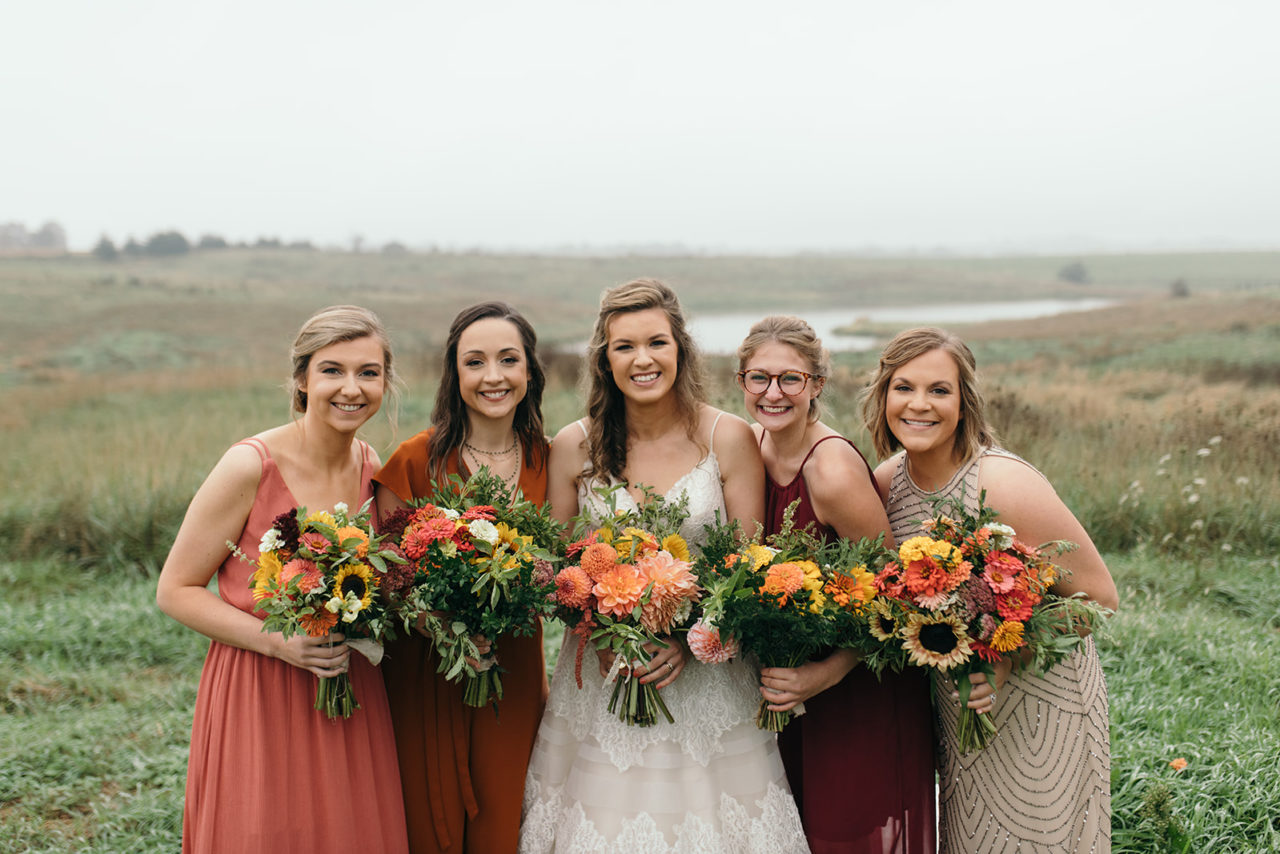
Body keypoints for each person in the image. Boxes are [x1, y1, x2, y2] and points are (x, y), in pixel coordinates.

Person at [519, 279, 809, 853]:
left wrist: (689, 641)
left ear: (680, 348)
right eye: (624, 346)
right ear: (604, 359)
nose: (642, 359)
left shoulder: (728, 438)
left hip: (707, 677)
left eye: (656, 342)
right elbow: (557, 570)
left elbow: (746, 568)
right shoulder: (574, 445)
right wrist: (598, 630)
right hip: (605, 676)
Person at [156, 305, 409, 853]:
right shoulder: (250, 465)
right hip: (260, 683)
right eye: (332, 370)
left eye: (368, 372)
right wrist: (279, 643)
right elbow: (175, 591)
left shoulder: (369, 463)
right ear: (302, 379)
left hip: (347, 681)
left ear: (385, 383)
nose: (352, 388)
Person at [861, 326, 1116, 854]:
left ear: (964, 403)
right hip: (958, 705)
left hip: (1040, 700)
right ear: (883, 395)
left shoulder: (1002, 483)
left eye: (939, 390)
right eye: (904, 387)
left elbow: (1100, 599)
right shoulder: (886, 484)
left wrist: (1006, 657)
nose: (919, 404)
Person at [740, 316, 935, 854]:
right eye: (759, 378)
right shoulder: (749, 446)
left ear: (817, 384)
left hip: (851, 687)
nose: (773, 393)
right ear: (742, 381)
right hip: (786, 684)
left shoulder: (830, 471)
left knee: (840, 835)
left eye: (791, 379)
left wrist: (823, 675)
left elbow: (893, 598)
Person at [374, 302, 551, 854]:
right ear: (455, 374)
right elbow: (387, 578)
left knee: (504, 814)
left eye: (508, 360)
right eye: (475, 362)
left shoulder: (550, 460)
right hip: (426, 672)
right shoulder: (414, 459)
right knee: (427, 822)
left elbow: (563, 564)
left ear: (530, 371)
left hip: (513, 669)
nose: (493, 376)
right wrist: (447, 632)